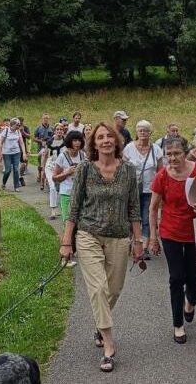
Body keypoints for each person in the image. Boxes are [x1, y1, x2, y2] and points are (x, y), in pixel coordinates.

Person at [59, 123, 142, 373]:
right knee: (97, 288)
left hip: (119, 236)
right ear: (93, 144)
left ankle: (99, 325)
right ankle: (109, 345)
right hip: (88, 235)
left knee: (113, 289)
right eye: (100, 137)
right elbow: (74, 207)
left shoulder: (128, 170)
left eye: (109, 137)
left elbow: (134, 208)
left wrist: (138, 242)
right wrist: (66, 241)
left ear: (116, 142)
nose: (105, 141)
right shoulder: (84, 169)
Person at [149, 136, 196, 344]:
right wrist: (153, 238)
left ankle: (190, 302)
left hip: (195, 231)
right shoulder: (162, 176)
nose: (172, 158)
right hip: (171, 233)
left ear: (186, 153)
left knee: (195, 276)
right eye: (168, 154)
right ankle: (178, 325)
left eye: (176, 154)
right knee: (176, 278)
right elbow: (153, 208)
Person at [123, 120, 164, 260]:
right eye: (140, 130)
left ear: (150, 133)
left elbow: (160, 171)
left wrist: (161, 190)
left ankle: (145, 247)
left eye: (145, 130)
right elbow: (122, 169)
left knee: (146, 218)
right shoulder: (128, 149)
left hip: (149, 190)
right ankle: (129, 243)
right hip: (131, 190)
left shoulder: (157, 150)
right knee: (131, 218)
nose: (142, 133)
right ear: (136, 132)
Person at [0, 118, 27, 192]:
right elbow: (1, 143)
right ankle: (4, 183)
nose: (19, 126)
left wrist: (24, 153)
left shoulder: (18, 132)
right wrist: (0, 154)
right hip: (7, 153)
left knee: (16, 169)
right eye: (17, 125)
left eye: (19, 125)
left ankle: (16, 186)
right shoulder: (6, 131)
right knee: (7, 170)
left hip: (16, 153)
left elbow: (21, 143)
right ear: (12, 124)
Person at [43, 124, 66, 216]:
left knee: (61, 189)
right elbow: (45, 155)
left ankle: (61, 208)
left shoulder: (66, 142)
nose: (59, 131)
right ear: (55, 131)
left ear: (63, 131)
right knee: (52, 188)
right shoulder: (50, 142)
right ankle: (53, 210)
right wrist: (42, 169)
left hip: (61, 168)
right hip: (50, 167)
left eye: (61, 129)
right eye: (57, 129)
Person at [34, 114, 54, 183]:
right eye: (45, 118)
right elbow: (34, 138)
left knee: (47, 163)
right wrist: (40, 141)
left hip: (49, 149)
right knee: (40, 163)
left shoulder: (52, 128)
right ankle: (39, 174)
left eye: (47, 118)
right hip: (40, 148)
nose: (46, 120)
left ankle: (45, 178)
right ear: (42, 119)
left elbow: (54, 137)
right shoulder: (38, 128)